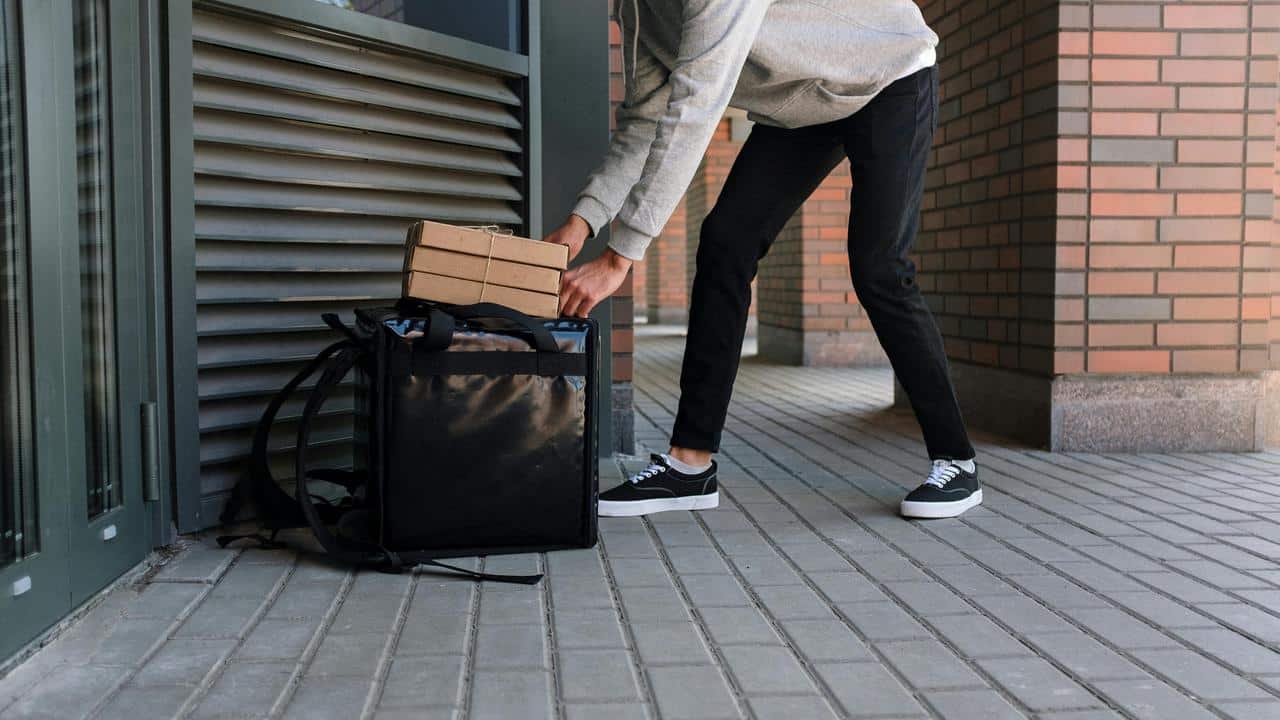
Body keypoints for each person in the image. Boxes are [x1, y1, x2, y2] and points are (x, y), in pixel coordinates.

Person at [547, 0, 980, 521]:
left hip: (888, 74)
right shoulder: (635, 7)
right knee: (726, 242)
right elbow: (647, 118)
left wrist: (620, 258)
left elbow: (697, 104)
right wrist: (582, 221)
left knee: (878, 267)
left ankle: (957, 460)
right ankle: (690, 465)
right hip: (804, 105)